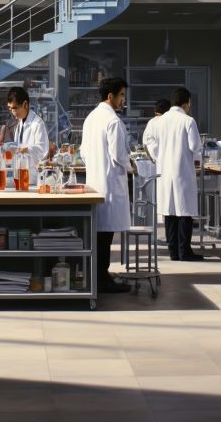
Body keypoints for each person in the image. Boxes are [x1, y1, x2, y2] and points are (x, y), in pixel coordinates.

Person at [81, 76, 133, 294]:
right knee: (105, 236)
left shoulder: (91, 118)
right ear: (110, 96)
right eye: (121, 96)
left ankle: (100, 275)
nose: (123, 100)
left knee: (99, 235)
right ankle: (103, 280)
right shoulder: (113, 121)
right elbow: (119, 154)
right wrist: (132, 166)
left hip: (95, 183)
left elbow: (83, 153)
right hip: (110, 185)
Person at [149, 87, 204, 262]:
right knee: (184, 212)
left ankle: (173, 251)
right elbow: (195, 146)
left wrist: (159, 157)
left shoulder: (159, 121)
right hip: (183, 171)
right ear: (186, 103)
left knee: (170, 212)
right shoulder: (188, 121)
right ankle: (184, 251)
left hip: (164, 171)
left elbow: (151, 144)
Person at [3, 86, 49, 165]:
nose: (12, 112)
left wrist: (26, 149)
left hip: (32, 172)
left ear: (25, 104)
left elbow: (42, 150)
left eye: (14, 108)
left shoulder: (37, 123)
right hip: (19, 169)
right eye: (10, 108)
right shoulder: (19, 123)